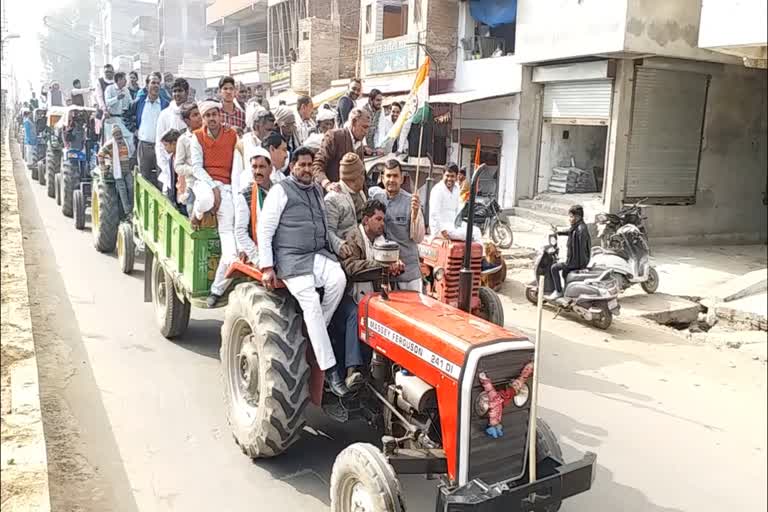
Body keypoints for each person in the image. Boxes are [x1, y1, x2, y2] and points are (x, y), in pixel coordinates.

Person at [257, 146, 349, 396]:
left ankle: (315, 328)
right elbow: (264, 230)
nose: (307, 169)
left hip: (316, 255)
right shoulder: (281, 191)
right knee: (310, 303)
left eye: (310, 165)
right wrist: (267, 267)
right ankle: (330, 369)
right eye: (302, 165)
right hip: (291, 261)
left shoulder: (317, 191)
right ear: (292, 167)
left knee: (339, 279)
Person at [333, 199, 402, 390]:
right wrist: (382, 265)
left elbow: (386, 263)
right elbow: (350, 267)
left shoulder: (381, 240)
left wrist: (396, 265)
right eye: (378, 219)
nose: (382, 224)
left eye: (383, 220)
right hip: (349, 295)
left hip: (373, 295)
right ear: (365, 220)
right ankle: (351, 370)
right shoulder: (353, 237)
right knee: (355, 314)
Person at [191, 100, 240, 306]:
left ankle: (216, 290)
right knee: (206, 199)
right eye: (207, 116)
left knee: (231, 255)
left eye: (214, 114)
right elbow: (196, 167)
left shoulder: (232, 135)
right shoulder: (197, 137)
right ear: (203, 119)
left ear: (221, 116)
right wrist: (213, 186)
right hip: (204, 183)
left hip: (228, 189)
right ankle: (197, 214)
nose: (211, 119)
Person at [370, 159, 425, 291]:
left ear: (402, 179)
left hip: (408, 273)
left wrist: (416, 213)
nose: (391, 180)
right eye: (388, 176)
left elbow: (418, 237)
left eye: (395, 176)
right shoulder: (376, 198)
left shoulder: (411, 202)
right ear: (382, 178)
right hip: (385, 274)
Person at [313, 107, 369, 192]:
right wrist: (327, 184)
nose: (366, 132)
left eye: (368, 128)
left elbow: (362, 175)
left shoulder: (359, 144)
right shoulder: (334, 137)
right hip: (334, 195)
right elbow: (317, 165)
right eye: (364, 127)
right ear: (354, 122)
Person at [129, 73, 170, 189]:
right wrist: (134, 130)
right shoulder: (140, 102)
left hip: (161, 146)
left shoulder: (165, 104)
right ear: (147, 86)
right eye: (153, 83)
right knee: (144, 178)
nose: (156, 86)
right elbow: (126, 115)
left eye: (158, 83)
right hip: (144, 146)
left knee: (163, 177)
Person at [234, 147, 272, 266]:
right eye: (254, 167)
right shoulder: (245, 195)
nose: (257, 171)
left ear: (270, 169)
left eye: (262, 167)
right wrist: (257, 257)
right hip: (257, 251)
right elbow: (240, 231)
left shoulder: (278, 190)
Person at [325, 153, 366, 255]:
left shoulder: (361, 193)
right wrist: (340, 245)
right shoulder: (332, 199)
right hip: (346, 254)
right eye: (362, 174)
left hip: (364, 248)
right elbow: (328, 231)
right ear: (356, 177)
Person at [155, 78, 190, 196]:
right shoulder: (165, 114)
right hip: (170, 164)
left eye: (180, 91)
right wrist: (166, 167)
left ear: (187, 92)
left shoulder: (192, 112)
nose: (177, 94)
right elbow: (159, 144)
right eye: (174, 91)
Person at [549, 205, 592, 300]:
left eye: (571, 216)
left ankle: (558, 291)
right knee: (565, 273)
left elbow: (582, 250)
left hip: (575, 262)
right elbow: (570, 231)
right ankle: (568, 293)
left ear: (578, 217)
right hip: (572, 259)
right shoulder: (577, 226)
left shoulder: (581, 230)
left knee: (554, 268)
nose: (569, 219)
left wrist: (582, 267)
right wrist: (558, 232)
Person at [97, 123, 135, 218]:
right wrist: (103, 167)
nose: (119, 138)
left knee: (131, 187)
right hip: (117, 172)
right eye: (117, 136)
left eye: (120, 135)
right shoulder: (110, 144)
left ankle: (133, 207)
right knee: (122, 190)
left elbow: (131, 153)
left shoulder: (126, 142)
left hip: (127, 170)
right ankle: (127, 212)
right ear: (114, 136)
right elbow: (100, 154)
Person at [104, 72, 134, 147]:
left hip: (122, 118)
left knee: (129, 136)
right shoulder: (109, 89)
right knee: (111, 141)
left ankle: (128, 156)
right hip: (112, 118)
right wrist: (117, 98)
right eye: (124, 79)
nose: (126, 81)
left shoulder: (126, 90)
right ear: (119, 80)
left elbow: (130, 102)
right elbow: (107, 102)